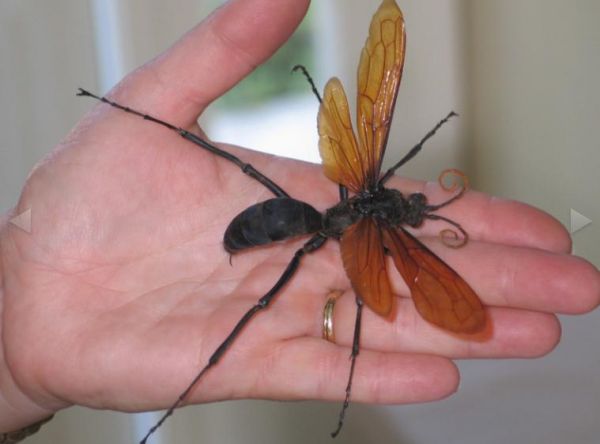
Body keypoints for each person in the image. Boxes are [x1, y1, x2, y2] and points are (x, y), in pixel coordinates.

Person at [1, 0, 599, 440]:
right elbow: (374, 270)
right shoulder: (382, 230)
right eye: (416, 211)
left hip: (293, 220)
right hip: (285, 220)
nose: (415, 212)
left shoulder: (366, 197)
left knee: (300, 291)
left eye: (417, 212)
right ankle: (139, 117)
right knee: (303, 289)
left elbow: (370, 189)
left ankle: (191, 384)